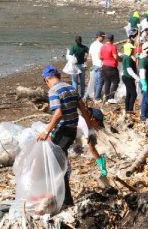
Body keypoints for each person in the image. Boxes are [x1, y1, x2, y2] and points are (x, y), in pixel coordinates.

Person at [37, 65, 101, 206]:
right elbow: (83, 109)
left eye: (45, 81)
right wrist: (90, 128)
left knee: (58, 165)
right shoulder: (71, 88)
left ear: (47, 79)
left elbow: (58, 113)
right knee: (61, 162)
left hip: (63, 131)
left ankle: (65, 200)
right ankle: (63, 197)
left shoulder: (53, 91)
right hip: (71, 130)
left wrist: (46, 131)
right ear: (58, 76)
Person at [122, 34, 140, 113]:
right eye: (132, 49)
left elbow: (134, 58)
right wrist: (137, 78)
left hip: (127, 77)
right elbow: (129, 70)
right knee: (133, 94)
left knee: (129, 93)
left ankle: (128, 109)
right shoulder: (128, 58)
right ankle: (130, 109)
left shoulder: (127, 56)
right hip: (128, 77)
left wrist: (137, 56)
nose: (133, 50)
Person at [100, 34, 120, 103]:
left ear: (107, 39)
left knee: (107, 82)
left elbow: (100, 56)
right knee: (116, 82)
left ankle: (106, 97)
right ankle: (111, 97)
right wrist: (121, 59)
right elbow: (115, 57)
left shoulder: (103, 46)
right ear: (112, 39)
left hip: (104, 66)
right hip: (111, 66)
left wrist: (106, 58)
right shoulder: (113, 46)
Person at [88, 31, 105, 101]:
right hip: (100, 65)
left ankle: (96, 95)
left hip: (94, 64)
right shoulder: (101, 45)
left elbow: (90, 54)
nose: (104, 38)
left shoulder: (92, 44)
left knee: (96, 81)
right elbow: (100, 56)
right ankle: (97, 98)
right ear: (99, 37)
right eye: (103, 36)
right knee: (100, 82)